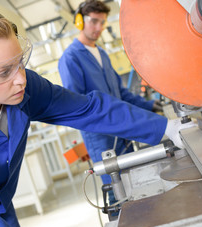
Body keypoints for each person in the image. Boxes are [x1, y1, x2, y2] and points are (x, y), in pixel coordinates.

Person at [0, 7, 190, 227]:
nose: (20, 78)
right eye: (5, 71)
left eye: (20, 62)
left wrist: (168, 128)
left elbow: (89, 108)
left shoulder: (25, 89)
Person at [58, 0, 163, 188]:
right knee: (116, 188)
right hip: (101, 137)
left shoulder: (103, 55)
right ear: (80, 21)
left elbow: (120, 93)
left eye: (102, 22)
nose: (99, 27)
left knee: (135, 184)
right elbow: (77, 104)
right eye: (94, 21)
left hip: (122, 131)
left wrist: (149, 106)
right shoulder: (71, 58)